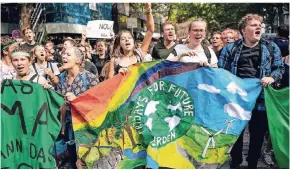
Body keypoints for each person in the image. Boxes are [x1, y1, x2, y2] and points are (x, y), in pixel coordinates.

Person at [218, 14, 284, 169]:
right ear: (243, 30)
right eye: (254, 25)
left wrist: (272, 78)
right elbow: (222, 73)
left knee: (257, 137)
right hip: (236, 102)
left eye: (259, 25)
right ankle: (235, 163)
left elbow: (279, 68)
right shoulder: (230, 49)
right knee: (236, 136)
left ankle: (253, 164)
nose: (258, 27)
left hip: (260, 101)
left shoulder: (270, 47)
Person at [56, 47, 98, 169]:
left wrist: (76, 100)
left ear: (78, 60)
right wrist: (62, 125)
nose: (64, 57)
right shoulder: (62, 78)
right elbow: (62, 104)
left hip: (86, 126)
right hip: (69, 126)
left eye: (68, 55)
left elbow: (97, 103)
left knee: (86, 161)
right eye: (63, 54)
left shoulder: (89, 78)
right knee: (72, 160)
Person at [106, 3, 154, 79]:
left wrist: (148, 10)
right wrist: (118, 75)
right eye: (123, 39)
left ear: (133, 41)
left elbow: (150, 30)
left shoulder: (140, 54)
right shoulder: (115, 60)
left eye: (129, 38)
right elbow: (109, 83)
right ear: (119, 44)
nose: (127, 40)